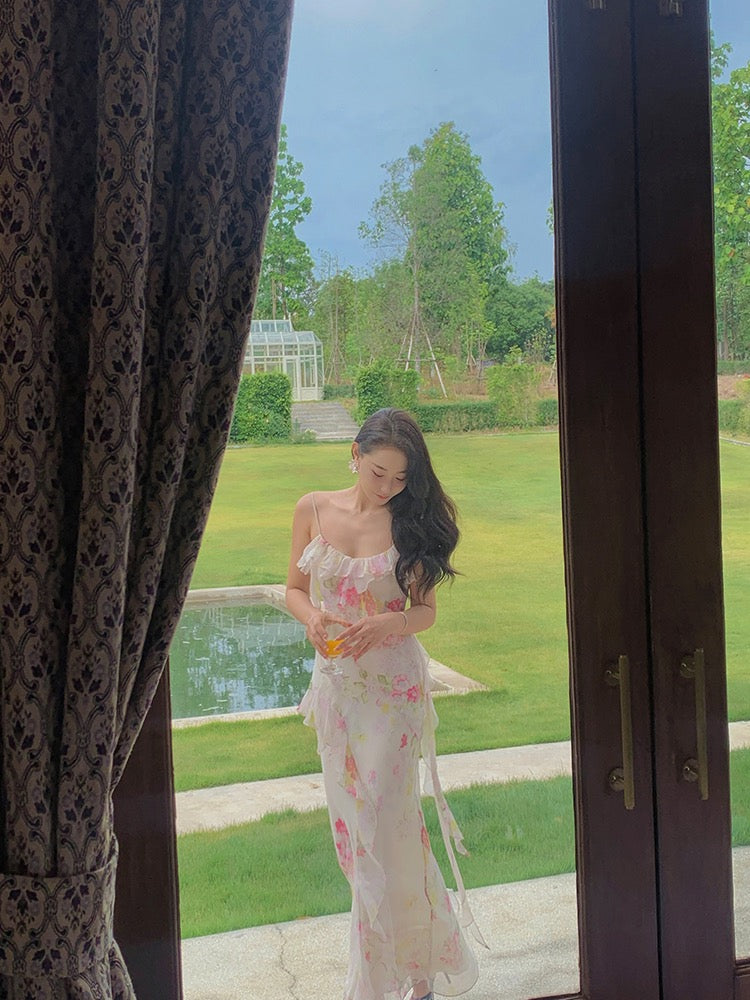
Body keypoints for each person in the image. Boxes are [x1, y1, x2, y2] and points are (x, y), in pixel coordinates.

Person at [286, 407, 483, 1000]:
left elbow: (425, 613)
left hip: (393, 696)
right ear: (355, 454)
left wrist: (387, 625)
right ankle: (414, 968)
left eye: (401, 478)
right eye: (378, 473)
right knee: (352, 835)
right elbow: (294, 590)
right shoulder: (311, 508)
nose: (389, 487)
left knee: (388, 827)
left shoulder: (410, 526)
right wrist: (312, 617)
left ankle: (391, 979)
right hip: (337, 690)